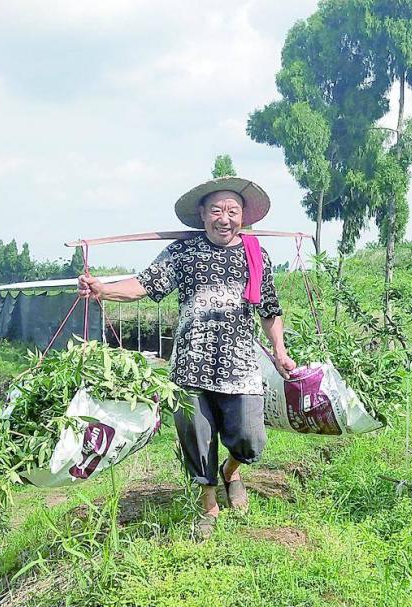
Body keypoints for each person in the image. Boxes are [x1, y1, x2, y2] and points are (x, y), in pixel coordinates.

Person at [77, 176, 296, 540]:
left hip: (240, 364)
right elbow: (145, 284)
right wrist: (104, 289)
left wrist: (279, 352)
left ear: (243, 216)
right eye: (216, 210)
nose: (224, 218)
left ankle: (231, 472)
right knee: (197, 437)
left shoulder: (255, 254)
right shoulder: (184, 253)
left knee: (250, 437)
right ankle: (209, 502)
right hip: (191, 363)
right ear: (202, 214)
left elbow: (270, 309)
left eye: (232, 211)